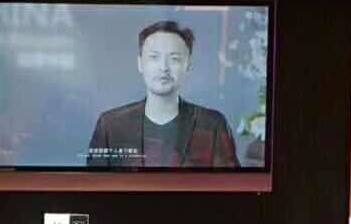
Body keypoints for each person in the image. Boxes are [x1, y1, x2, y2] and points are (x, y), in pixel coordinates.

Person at [87, 20, 240, 168]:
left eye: (174, 58)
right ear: (140, 63)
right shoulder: (110, 125)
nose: (164, 67)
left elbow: (231, 182)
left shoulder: (212, 124)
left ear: (187, 64)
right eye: (154, 57)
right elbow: (93, 182)